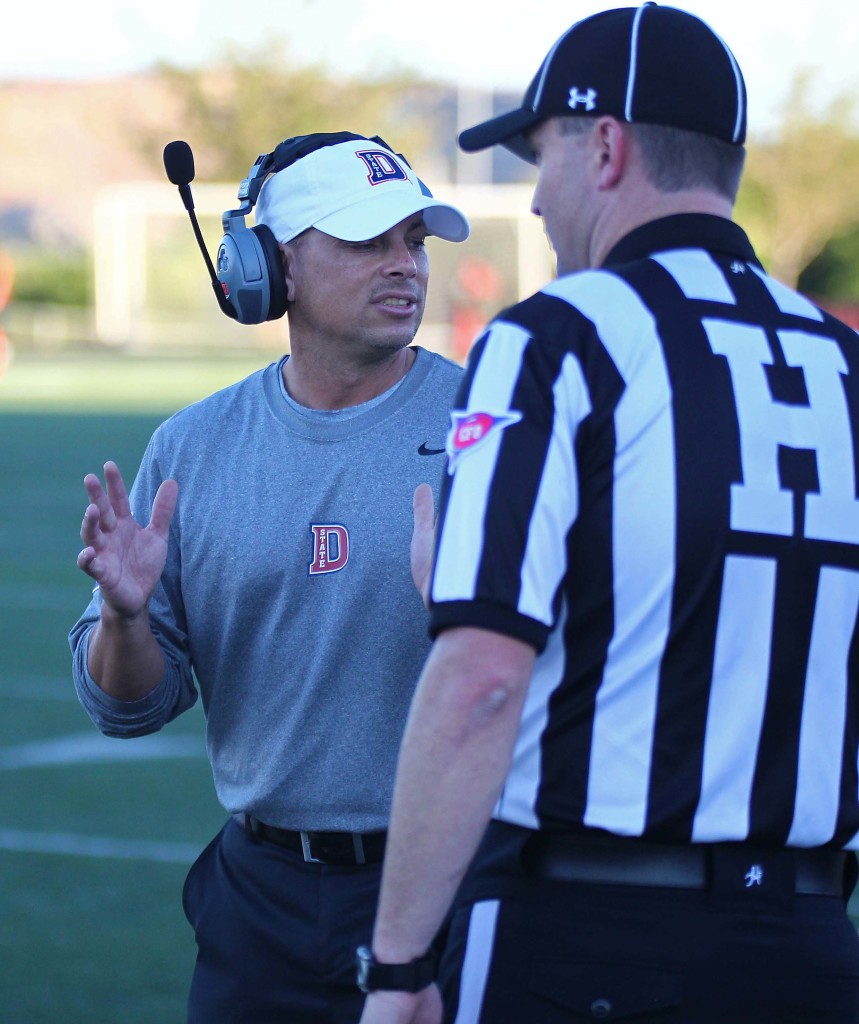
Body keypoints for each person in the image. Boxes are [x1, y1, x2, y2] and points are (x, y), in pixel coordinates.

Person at [356, 6, 859, 1023]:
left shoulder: (556, 337)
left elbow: (482, 682)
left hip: (588, 934)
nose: (535, 200)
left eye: (539, 157)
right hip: (810, 947)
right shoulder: (842, 361)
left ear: (604, 143)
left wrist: (400, 965)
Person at [68, 131, 469, 1024]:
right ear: (264, 266)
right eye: (367, 241)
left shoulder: (496, 420)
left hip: (455, 883)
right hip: (259, 900)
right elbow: (127, 707)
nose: (404, 265)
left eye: (414, 240)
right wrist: (125, 619)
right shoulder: (190, 446)